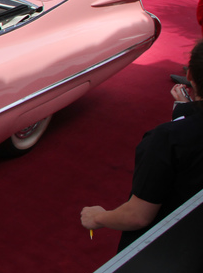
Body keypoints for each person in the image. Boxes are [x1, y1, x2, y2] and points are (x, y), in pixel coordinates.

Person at [81, 40, 203, 251]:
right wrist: (185, 110)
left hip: (171, 250)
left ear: (189, 75)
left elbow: (138, 217)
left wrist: (98, 217)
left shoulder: (166, 138)